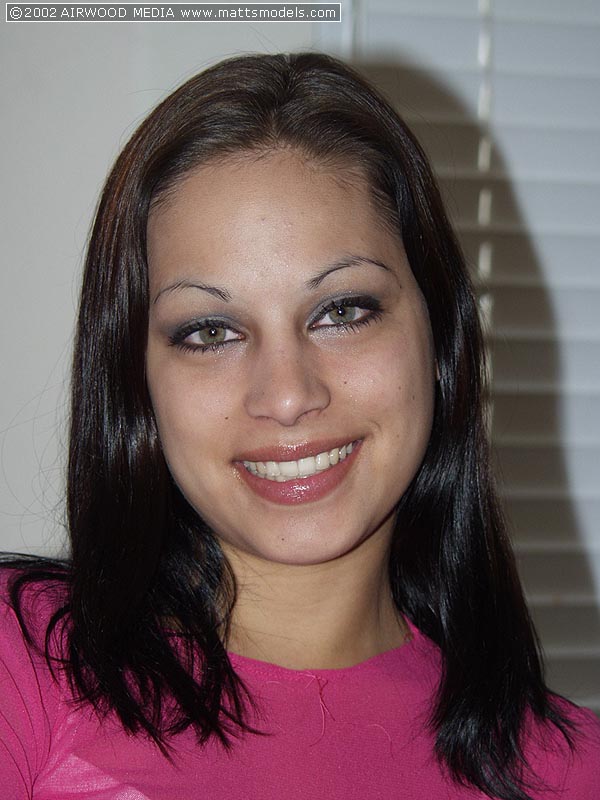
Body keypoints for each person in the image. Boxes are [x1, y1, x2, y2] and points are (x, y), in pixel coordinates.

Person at [1, 51, 599, 800]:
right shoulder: (21, 667)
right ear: (137, 380)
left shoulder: (568, 771)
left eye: (341, 311)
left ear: (440, 339)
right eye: (211, 332)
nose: (286, 397)